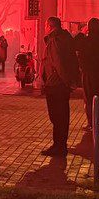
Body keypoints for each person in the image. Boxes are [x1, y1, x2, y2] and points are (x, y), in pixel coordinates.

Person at [40, 16, 78, 158]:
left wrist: (66, 81)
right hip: (60, 84)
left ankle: (59, 146)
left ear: (50, 26)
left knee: (57, 116)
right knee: (61, 116)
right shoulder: (65, 38)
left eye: (45, 25)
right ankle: (60, 145)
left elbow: (58, 63)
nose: (45, 28)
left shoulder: (54, 41)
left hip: (56, 84)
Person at [75, 18, 99, 130]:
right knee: (98, 95)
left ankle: (92, 123)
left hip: (88, 70)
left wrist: (82, 32)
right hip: (98, 69)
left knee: (89, 97)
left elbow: (75, 44)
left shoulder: (85, 40)